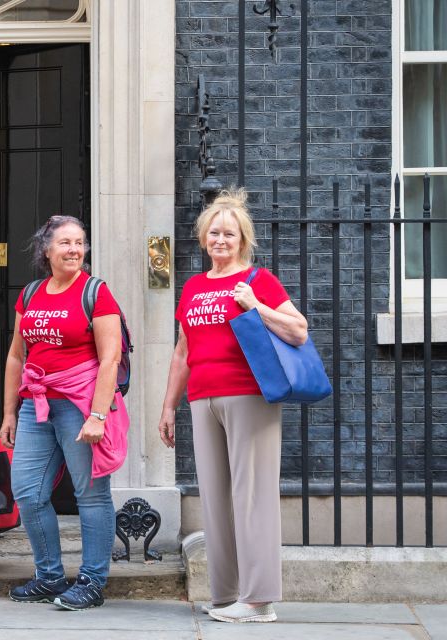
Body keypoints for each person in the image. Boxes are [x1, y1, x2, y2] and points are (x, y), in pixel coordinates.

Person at [158, 188, 309, 624]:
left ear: (243, 240)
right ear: (203, 239)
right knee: (216, 498)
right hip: (203, 398)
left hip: (249, 395)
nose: (220, 240)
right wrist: (169, 406)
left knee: (252, 495)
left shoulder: (258, 281)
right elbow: (183, 351)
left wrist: (256, 306)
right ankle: (226, 594)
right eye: (213, 233)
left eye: (229, 234)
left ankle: (260, 600)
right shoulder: (193, 287)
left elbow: (298, 330)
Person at [0, 215, 129, 611]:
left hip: (80, 406)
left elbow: (111, 358)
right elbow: (16, 356)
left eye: (80, 243)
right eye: (65, 243)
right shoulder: (32, 293)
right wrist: (9, 413)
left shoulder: (96, 292)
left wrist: (98, 416)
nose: (74, 250)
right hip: (36, 404)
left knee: (90, 495)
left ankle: (92, 581)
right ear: (46, 250)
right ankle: (49, 576)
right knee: (27, 490)